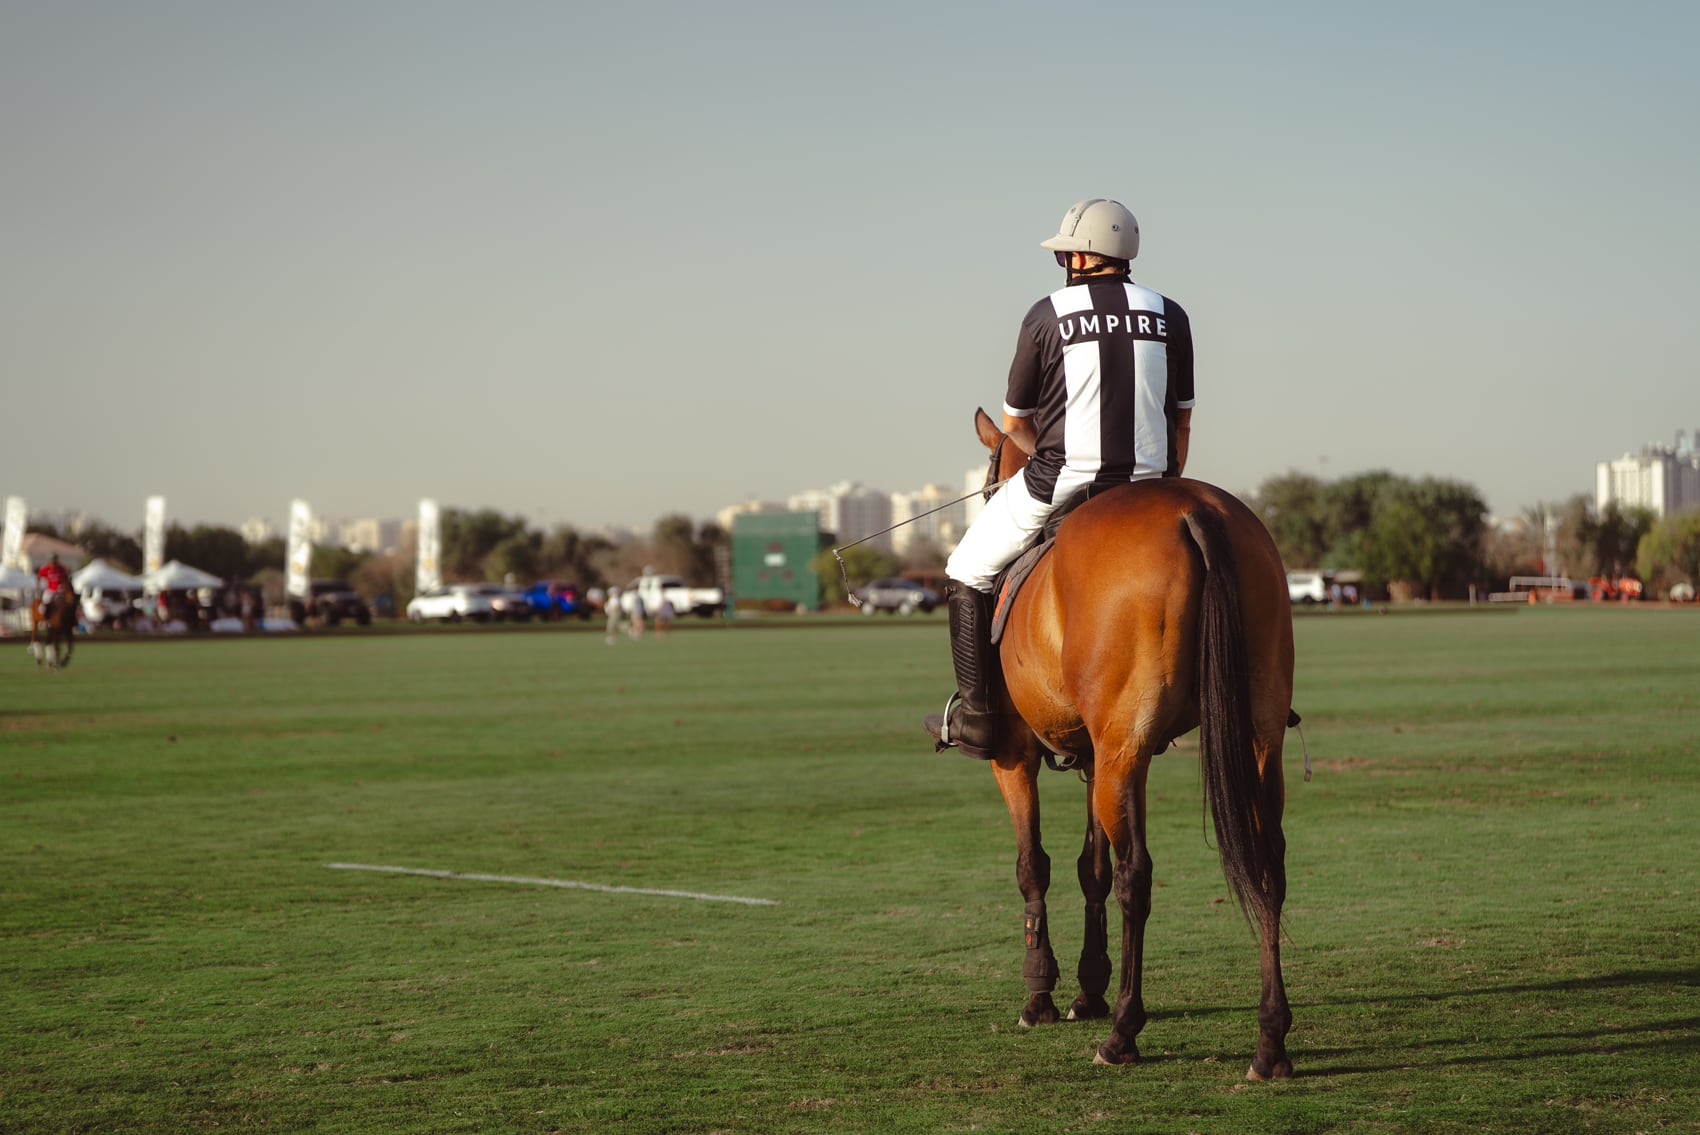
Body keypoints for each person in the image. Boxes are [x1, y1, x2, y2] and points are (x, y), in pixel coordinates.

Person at [926, 198, 1195, 759]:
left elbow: (1014, 425)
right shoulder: (1172, 314)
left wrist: (1050, 452)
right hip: (1153, 488)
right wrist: (1163, 481)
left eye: (1065, 254)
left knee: (966, 567)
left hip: (1062, 483)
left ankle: (977, 718)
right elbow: (1182, 422)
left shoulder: (1046, 314)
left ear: (1081, 256)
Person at [35, 553, 72, 623]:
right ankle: (47, 619)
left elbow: (66, 578)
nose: (53, 563)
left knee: (68, 603)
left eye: (55, 561)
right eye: (52, 561)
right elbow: (39, 577)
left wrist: (64, 586)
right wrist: (38, 587)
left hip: (60, 591)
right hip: (50, 591)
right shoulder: (45, 569)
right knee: (43, 606)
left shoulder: (62, 568)